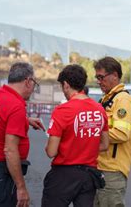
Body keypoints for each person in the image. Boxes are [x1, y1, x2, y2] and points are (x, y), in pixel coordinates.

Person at [0, 62, 45, 207]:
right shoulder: (16, 106)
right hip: (1, 173)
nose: (33, 88)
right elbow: (10, 150)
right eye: (34, 83)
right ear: (28, 81)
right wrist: (21, 188)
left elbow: (0, 118)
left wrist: (25, 121)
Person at [42, 64, 109, 207]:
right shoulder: (99, 109)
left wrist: (49, 146)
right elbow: (105, 145)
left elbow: (51, 151)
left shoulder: (62, 110)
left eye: (62, 86)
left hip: (63, 175)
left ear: (66, 84)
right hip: (89, 175)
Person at [94, 57, 131, 207]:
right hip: (101, 166)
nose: (98, 81)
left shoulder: (123, 100)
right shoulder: (106, 99)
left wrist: (93, 134)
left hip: (112, 169)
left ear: (114, 75)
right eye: (96, 77)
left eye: (101, 77)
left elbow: (121, 133)